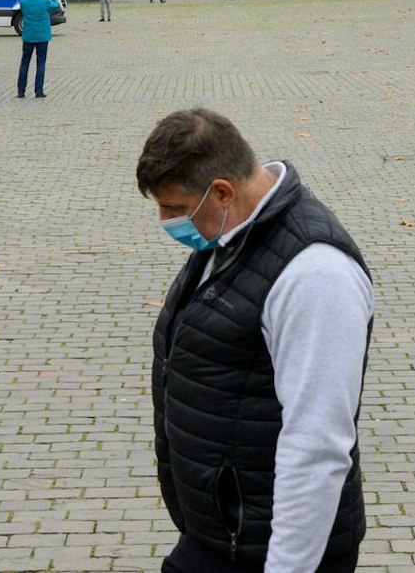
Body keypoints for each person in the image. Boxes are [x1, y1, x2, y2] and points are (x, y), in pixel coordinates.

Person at [137, 108, 372, 573]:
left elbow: (317, 444)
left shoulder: (315, 275)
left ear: (222, 191)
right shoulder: (233, 235)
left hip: (271, 550)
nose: (165, 221)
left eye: (176, 209)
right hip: (220, 536)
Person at [15, 0, 61, 98]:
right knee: (41, 63)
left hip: (29, 35)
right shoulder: (44, 1)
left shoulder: (24, 2)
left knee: (24, 63)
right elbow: (56, 5)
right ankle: (38, 90)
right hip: (42, 35)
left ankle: (21, 91)